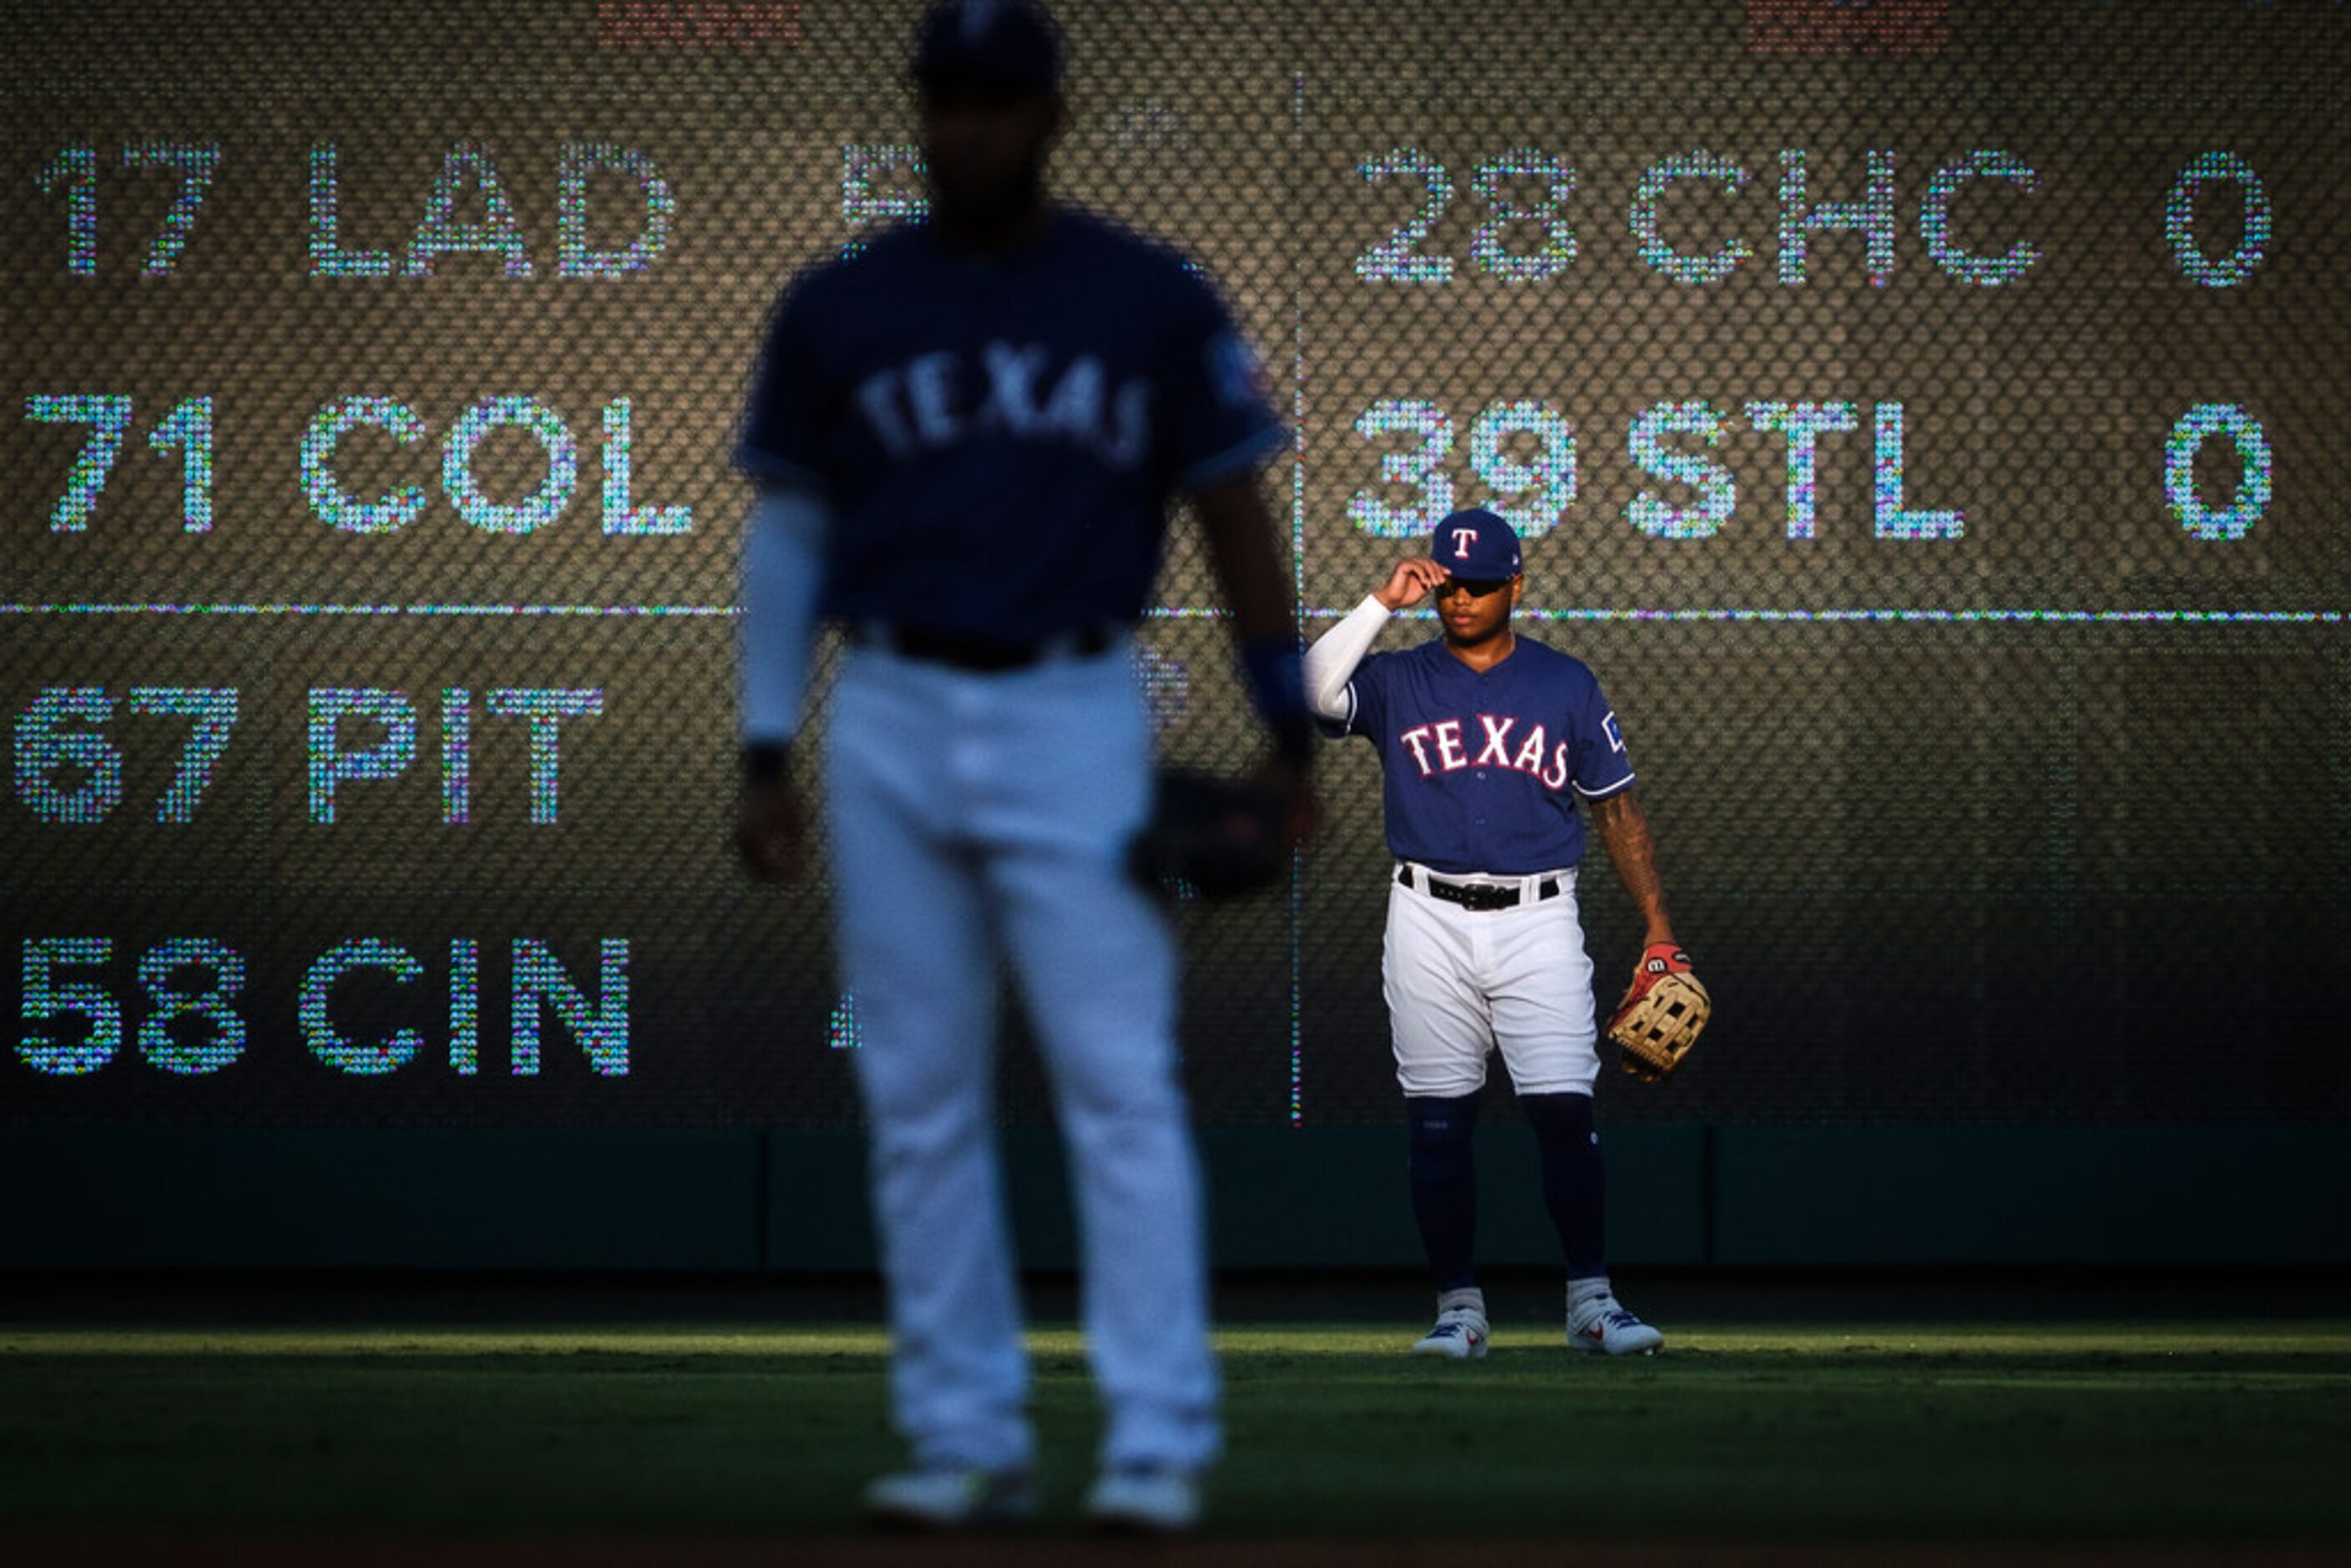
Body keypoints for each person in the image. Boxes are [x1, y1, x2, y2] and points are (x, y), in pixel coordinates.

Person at [731, 0, 1312, 1535]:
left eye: (993, 102)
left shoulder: (1143, 297)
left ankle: (1156, 1437)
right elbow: (790, 529)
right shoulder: (843, 304)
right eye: (944, 101)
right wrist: (763, 745)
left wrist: (1284, 727)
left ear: (1048, 116)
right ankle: (962, 1429)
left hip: (1075, 709)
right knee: (917, 1094)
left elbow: (1235, 510)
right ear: (919, 113)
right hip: (890, 705)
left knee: (1118, 1082)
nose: (964, 128)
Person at [1303, 506, 1683, 1359]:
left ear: (1516, 584)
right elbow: (1311, 692)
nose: (1460, 597)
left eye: (1479, 584)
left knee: (1563, 1110)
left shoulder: (1564, 685)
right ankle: (1457, 1310)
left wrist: (1658, 930)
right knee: (1437, 1122)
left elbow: (1616, 810)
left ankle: (1591, 1303)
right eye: (1448, 582)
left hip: (1539, 915)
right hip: (1425, 913)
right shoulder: (1399, 679)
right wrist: (1380, 600)